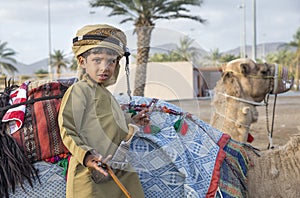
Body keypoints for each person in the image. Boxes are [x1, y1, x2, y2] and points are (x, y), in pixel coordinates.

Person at [58, 24, 148, 198]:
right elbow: (67, 127)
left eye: (111, 61)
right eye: (97, 60)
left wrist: (132, 120)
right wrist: (86, 156)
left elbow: (108, 122)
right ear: (82, 62)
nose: (105, 67)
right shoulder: (80, 90)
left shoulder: (105, 94)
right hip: (91, 175)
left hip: (117, 170)